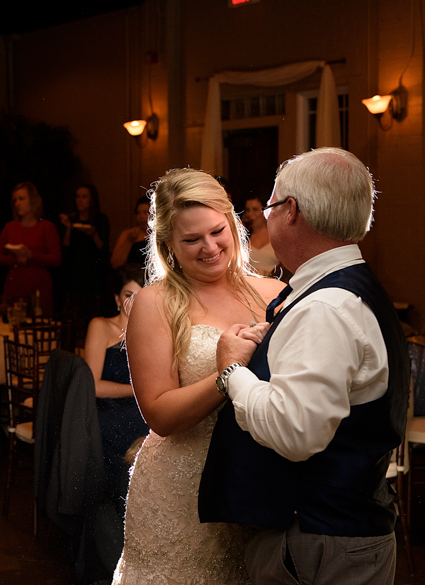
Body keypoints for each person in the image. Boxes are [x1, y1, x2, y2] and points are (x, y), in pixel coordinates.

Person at [200, 148, 410, 584]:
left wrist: (232, 373)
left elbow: (294, 432)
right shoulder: (340, 289)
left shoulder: (327, 307)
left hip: (321, 540)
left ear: (290, 211)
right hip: (336, 531)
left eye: (271, 206)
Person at [111, 169, 284, 584]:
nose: (209, 247)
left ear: (232, 221)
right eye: (191, 240)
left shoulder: (274, 294)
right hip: (179, 493)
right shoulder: (154, 304)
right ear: (168, 243)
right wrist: (227, 373)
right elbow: (159, 415)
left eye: (217, 231)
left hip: (256, 485)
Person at [83, 263, 148, 504]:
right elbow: (93, 385)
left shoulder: (154, 331)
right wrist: (138, 390)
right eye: (128, 296)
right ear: (117, 299)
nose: (133, 302)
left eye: (140, 296)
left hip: (143, 409)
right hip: (109, 410)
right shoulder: (101, 326)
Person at [0, 181, 61, 316]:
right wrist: (14, 259)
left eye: (22, 199)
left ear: (33, 200)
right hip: (15, 283)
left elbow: (56, 259)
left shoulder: (46, 227)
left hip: (38, 284)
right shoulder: (10, 227)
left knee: (38, 325)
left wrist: (31, 255)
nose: (17, 203)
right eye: (15, 200)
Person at [59, 184, 110, 344]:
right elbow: (65, 249)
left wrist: (93, 233)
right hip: (74, 278)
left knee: (92, 322)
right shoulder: (71, 219)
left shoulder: (100, 219)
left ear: (92, 199)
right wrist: (68, 228)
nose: (80, 200)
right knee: (72, 323)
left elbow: (104, 250)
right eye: (78, 196)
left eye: (84, 196)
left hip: (93, 278)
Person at [243, 196, 280, 276]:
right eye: (248, 210)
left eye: (255, 209)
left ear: (265, 210)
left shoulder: (276, 235)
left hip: (274, 285)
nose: (250, 214)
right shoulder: (244, 238)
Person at [110, 196, 150, 269]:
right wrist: (129, 240)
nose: (141, 217)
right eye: (138, 213)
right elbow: (115, 264)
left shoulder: (164, 234)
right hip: (133, 277)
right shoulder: (128, 234)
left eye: (146, 213)